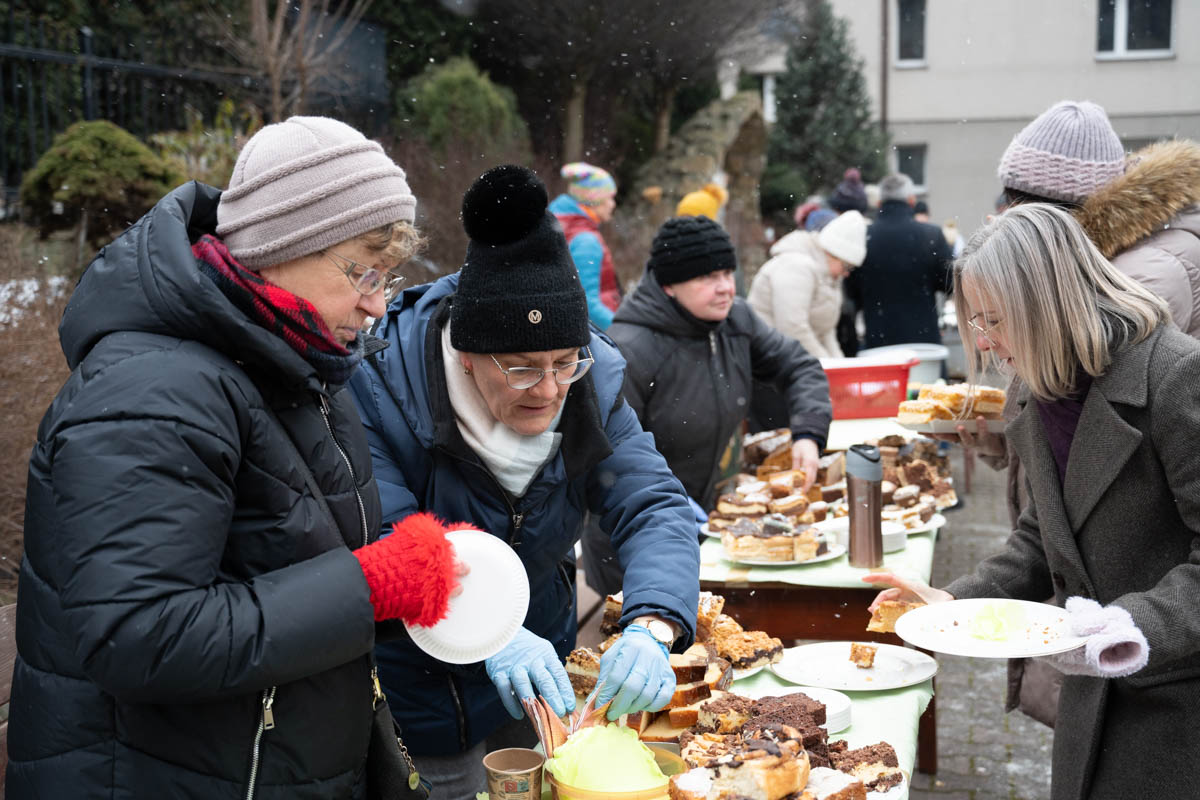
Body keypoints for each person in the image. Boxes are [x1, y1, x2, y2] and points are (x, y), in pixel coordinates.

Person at [7, 117, 471, 798]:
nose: (376, 303)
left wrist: (414, 572)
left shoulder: (294, 364)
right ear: (284, 245)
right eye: (361, 269)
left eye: (387, 275)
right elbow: (140, 635)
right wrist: (368, 585)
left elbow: (288, 557)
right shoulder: (154, 390)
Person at [349, 165, 700, 799]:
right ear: (464, 353)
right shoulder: (379, 391)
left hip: (544, 672)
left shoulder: (588, 388)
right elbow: (391, 537)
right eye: (520, 370)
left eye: (564, 363)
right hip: (425, 694)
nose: (548, 391)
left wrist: (653, 624)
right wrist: (493, 631)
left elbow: (651, 504)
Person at [866, 204, 1200, 800]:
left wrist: (1134, 624)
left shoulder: (1177, 377)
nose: (987, 343)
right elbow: (1042, 533)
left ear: (1051, 303)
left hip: (1176, 696)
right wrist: (954, 602)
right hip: (1090, 702)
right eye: (977, 322)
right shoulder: (1034, 386)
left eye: (996, 320)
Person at [581, 215, 833, 595]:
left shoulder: (736, 321)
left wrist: (809, 434)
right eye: (707, 277)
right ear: (668, 285)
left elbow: (799, 367)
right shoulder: (629, 350)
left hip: (707, 525)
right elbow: (609, 463)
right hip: (635, 544)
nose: (725, 289)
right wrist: (675, 509)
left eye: (728, 274)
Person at [844, 173, 953, 348]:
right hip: (923, 343)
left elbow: (851, 292)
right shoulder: (931, 236)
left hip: (878, 343)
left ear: (879, 203)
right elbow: (950, 283)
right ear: (911, 201)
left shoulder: (863, 238)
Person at [747, 209, 868, 358]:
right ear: (833, 254)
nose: (847, 273)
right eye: (846, 266)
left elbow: (825, 331)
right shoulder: (796, 267)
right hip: (769, 358)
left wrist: (840, 366)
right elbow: (792, 328)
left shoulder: (828, 275)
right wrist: (825, 366)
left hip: (791, 358)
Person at [549, 161, 621, 329]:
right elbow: (587, 304)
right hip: (593, 336)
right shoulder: (586, 241)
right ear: (593, 200)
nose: (613, 204)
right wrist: (620, 331)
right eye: (610, 198)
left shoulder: (560, 226)